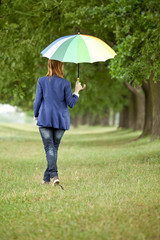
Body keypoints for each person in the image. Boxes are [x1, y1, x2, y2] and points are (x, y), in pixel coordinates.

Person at [33, 59, 86, 188]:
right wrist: (77, 91)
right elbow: (71, 104)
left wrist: (36, 115)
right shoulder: (65, 83)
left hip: (45, 119)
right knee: (53, 149)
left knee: (50, 149)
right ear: (61, 66)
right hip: (60, 121)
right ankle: (46, 179)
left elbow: (37, 101)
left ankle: (54, 176)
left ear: (49, 65)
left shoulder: (41, 81)